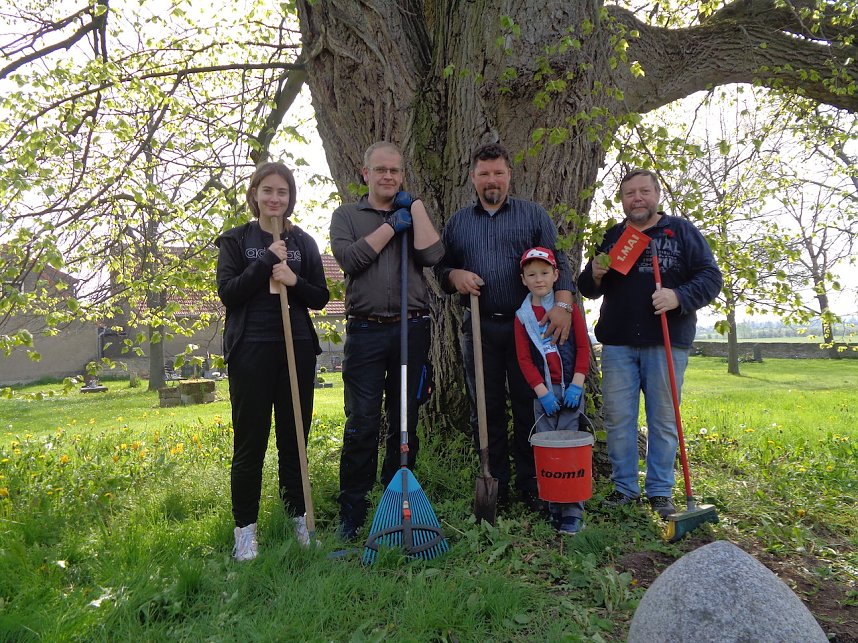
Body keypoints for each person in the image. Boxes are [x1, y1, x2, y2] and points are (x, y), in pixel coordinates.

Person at [434, 142, 577, 512]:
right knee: (486, 408)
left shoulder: (533, 215)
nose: (491, 179)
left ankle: (532, 484)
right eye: (484, 173)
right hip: (479, 328)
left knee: (530, 404)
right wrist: (455, 275)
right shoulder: (459, 223)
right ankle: (495, 482)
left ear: (509, 175)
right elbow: (441, 271)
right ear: (473, 178)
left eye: (498, 172)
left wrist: (563, 305)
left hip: (528, 329)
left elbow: (560, 261)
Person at [577, 168, 722, 518]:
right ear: (622, 200)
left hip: (666, 342)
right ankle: (625, 490)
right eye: (630, 193)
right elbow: (587, 288)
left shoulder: (681, 231)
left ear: (657, 195)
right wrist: (594, 273)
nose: (637, 198)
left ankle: (660, 492)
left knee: (663, 421)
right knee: (618, 420)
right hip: (618, 345)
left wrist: (678, 296)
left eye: (644, 191)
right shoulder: (614, 236)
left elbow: (711, 277)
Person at [329, 141, 444, 541]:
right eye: (380, 170)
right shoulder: (347, 216)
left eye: (395, 170)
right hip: (366, 331)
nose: (388, 176)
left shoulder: (413, 212)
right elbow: (351, 260)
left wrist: (416, 208)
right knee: (362, 421)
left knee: (404, 419)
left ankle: (396, 498)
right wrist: (391, 226)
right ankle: (353, 509)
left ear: (402, 175)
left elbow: (433, 254)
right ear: (366, 174)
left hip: (411, 329)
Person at [215, 161, 330, 560]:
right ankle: (245, 530)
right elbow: (229, 293)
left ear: (290, 197)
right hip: (251, 349)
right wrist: (265, 261)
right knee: (251, 441)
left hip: (295, 347)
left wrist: (293, 280)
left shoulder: (304, 242)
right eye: (268, 191)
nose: (275, 198)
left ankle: (298, 519)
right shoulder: (235, 240)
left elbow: (320, 297)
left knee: (295, 438)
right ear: (255, 195)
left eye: (282, 192)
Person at [514, 247, 591, 534]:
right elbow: (524, 359)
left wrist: (577, 385)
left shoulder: (569, 311)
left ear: (556, 275)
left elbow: (582, 347)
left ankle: (572, 511)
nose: (539, 279)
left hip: (571, 391)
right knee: (547, 452)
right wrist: (542, 392)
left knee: (571, 452)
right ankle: (554, 504)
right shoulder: (522, 317)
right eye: (532, 274)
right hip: (543, 396)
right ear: (523, 280)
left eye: (545, 273)